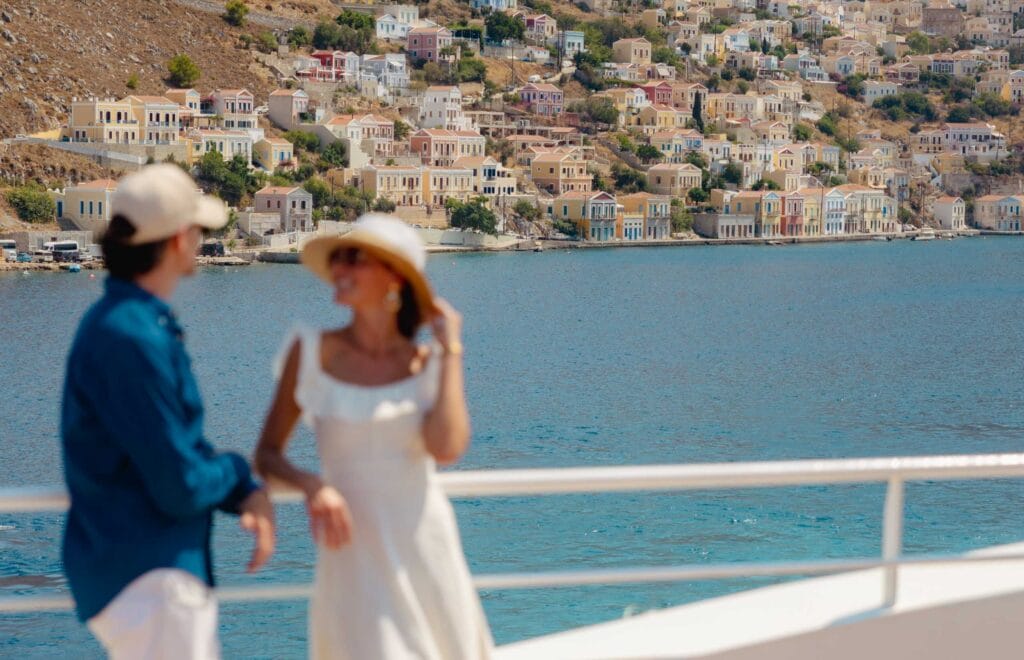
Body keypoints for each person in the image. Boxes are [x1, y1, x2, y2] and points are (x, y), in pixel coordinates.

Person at [61, 164, 275, 659]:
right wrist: (240, 475)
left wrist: (239, 490)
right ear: (179, 239)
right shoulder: (132, 337)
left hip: (137, 574)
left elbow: (171, 449)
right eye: (198, 230)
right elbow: (178, 484)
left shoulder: (126, 323)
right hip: (151, 582)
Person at [255, 214, 493, 659]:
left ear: (395, 278)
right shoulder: (308, 351)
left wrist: (451, 348)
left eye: (355, 259)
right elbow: (266, 455)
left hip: (425, 549)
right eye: (339, 258)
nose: (340, 269)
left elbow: (447, 448)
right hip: (351, 559)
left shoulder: (428, 362)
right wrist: (313, 485)